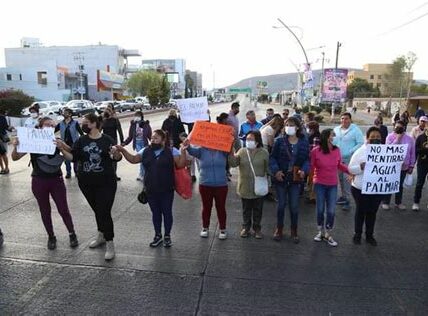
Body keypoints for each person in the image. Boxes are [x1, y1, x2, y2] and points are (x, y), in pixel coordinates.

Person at [57, 113, 122, 261]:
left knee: (104, 212)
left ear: (93, 124)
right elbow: (74, 156)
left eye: (86, 123)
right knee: (97, 210)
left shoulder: (107, 140)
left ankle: (110, 243)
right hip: (86, 183)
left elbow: (116, 158)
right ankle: (101, 235)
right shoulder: (81, 140)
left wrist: (116, 153)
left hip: (106, 183)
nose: (83, 125)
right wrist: (62, 149)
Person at [11, 117, 78, 250]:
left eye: (52, 125)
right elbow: (15, 157)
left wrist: (62, 147)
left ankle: (72, 233)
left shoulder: (57, 140)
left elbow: (71, 154)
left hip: (56, 179)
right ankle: (51, 236)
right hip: (39, 180)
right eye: (47, 125)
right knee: (44, 210)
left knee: (63, 208)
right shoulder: (32, 141)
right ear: (40, 127)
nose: (50, 127)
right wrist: (15, 146)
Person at [115, 129, 187, 248]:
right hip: (151, 189)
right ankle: (158, 235)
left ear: (163, 140)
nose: (153, 140)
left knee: (167, 212)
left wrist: (183, 152)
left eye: (156, 138)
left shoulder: (171, 151)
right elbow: (133, 159)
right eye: (152, 138)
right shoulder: (146, 150)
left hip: (166, 189)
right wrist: (122, 150)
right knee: (156, 213)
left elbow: (181, 165)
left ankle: (167, 236)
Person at [185, 135, 234, 240]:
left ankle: (223, 228)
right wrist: (187, 145)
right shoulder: (201, 150)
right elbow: (191, 150)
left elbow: (230, 149)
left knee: (221, 207)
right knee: (206, 207)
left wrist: (231, 140)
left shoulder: (222, 150)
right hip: (205, 184)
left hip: (221, 184)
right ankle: (205, 228)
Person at [269, 117, 309, 243]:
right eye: (286, 125)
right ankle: (279, 229)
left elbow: (308, 159)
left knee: (294, 207)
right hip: (281, 178)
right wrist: (276, 171)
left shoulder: (303, 142)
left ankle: (294, 231)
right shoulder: (279, 141)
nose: (288, 127)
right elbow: (272, 158)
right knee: (281, 206)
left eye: (291, 125)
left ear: (297, 127)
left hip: (295, 180)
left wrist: (304, 170)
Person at [311, 128, 350, 247]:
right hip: (320, 184)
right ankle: (320, 231)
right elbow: (312, 168)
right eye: (332, 135)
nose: (334, 137)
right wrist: (311, 185)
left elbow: (339, 165)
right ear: (326, 137)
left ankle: (328, 233)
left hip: (333, 184)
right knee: (320, 209)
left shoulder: (337, 150)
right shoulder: (315, 151)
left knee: (331, 211)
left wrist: (350, 171)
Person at [229, 131, 269, 239]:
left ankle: (257, 228)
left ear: (257, 141)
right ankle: (246, 227)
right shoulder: (242, 151)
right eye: (247, 139)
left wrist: (268, 184)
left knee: (258, 209)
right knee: (246, 209)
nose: (248, 141)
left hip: (259, 187)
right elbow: (233, 163)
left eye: (251, 139)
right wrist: (230, 151)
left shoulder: (264, 153)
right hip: (245, 186)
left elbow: (268, 169)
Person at [348, 126, 384, 246]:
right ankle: (357, 234)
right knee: (361, 211)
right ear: (367, 138)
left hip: (377, 189)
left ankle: (369, 235)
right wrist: (361, 167)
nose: (375, 139)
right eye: (372, 137)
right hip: (360, 188)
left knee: (372, 212)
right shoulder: (360, 151)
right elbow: (350, 169)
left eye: (378, 137)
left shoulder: (386, 152)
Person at [381, 120, 416, 210]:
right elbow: (388, 149)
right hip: (391, 166)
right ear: (394, 127)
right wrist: (398, 139)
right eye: (397, 127)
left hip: (404, 167)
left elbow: (412, 153)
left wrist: (411, 165)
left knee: (399, 185)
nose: (398, 128)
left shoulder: (410, 139)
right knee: (389, 183)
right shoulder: (389, 137)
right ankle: (386, 202)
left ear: (404, 127)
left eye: (401, 127)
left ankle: (398, 202)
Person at [333, 112, 364, 210]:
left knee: (347, 180)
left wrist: (350, 151)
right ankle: (343, 196)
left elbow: (360, 143)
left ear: (350, 120)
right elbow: (333, 141)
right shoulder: (336, 129)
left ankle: (348, 200)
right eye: (342, 118)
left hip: (349, 159)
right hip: (338, 159)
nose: (344, 120)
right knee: (340, 179)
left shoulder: (355, 130)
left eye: (346, 119)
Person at [122, 111, 152, 181]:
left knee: (143, 159)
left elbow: (150, 136)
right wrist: (124, 143)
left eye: (138, 115)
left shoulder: (146, 124)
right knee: (142, 158)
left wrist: (155, 142)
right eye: (135, 115)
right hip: (137, 143)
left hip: (144, 144)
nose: (136, 117)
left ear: (141, 117)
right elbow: (130, 136)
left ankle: (143, 174)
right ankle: (142, 174)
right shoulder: (133, 125)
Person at [55, 108, 83, 178]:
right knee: (66, 159)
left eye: (66, 112)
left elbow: (81, 133)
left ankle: (76, 172)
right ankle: (68, 173)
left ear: (70, 114)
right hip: (65, 143)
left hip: (74, 143)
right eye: (64, 112)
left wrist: (83, 141)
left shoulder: (75, 123)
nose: (64, 114)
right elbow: (53, 130)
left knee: (75, 157)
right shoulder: (61, 123)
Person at [101, 108, 124, 181]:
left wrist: (122, 140)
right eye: (105, 112)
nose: (106, 113)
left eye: (108, 112)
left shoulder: (115, 120)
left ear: (111, 113)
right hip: (104, 141)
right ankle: (106, 174)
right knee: (106, 157)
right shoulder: (103, 121)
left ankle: (114, 174)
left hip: (113, 140)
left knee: (114, 158)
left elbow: (119, 130)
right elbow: (99, 130)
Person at [413, 128, 428, 211]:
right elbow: (416, 150)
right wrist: (425, 149)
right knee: (419, 183)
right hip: (422, 164)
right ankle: (416, 202)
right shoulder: (420, 137)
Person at [0, 109, 14, 174]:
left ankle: (6, 168)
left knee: (3, 153)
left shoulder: (2, 117)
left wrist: (11, 128)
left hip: (2, 138)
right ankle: (2, 168)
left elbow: (6, 127)